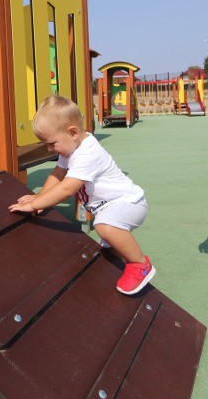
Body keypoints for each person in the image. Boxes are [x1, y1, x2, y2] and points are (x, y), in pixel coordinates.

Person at [9, 95, 155, 295]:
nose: (50, 149)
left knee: (104, 226)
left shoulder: (88, 153)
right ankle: (119, 251)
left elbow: (67, 188)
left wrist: (35, 204)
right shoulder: (70, 149)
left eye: (52, 143)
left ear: (73, 132)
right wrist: (39, 198)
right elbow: (58, 174)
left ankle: (140, 264)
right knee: (107, 240)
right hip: (111, 206)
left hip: (129, 203)